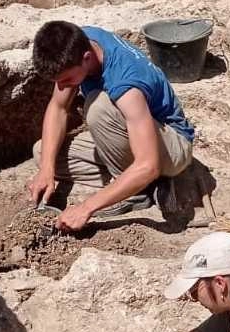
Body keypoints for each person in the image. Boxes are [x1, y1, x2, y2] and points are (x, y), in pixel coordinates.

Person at [27, 21, 196, 231]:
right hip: (134, 136)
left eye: (67, 79)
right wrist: (46, 170)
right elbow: (58, 108)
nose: (61, 87)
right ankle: (137, 182)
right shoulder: (79, 42)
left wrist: (86, 207)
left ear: (86, 59)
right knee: (43, 153)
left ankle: (136, 191)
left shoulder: (125, 84)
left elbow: (148, 164)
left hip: (173, 145)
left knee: (99, 108)